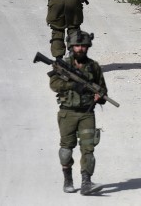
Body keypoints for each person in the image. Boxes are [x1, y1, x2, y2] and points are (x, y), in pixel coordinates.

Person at [48, 30, 107, 195]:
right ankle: (68, 180)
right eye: (77, 46)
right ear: (71, 46)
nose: (80, 49)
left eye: (83, 46)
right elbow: (54, 85)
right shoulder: (62, 65)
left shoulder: (94, 67)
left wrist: (99, 97)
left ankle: (86, 183)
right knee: (66, 150)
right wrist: (72, 85)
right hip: (67, 113)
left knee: (88, 148)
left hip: (87, 113)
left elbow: (103, 91)